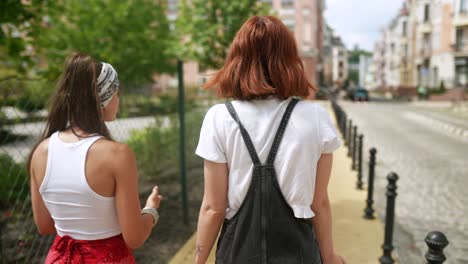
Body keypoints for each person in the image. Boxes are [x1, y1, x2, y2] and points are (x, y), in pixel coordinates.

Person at [194, 16, 346, 264]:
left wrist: (198, 261)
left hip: (237, 254)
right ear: (289, 59)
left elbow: (213, 208)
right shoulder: (316, 117)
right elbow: (319, 203)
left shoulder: (219, 118)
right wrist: (329, 257)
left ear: (237, 59)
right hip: (299, 254)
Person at [28, 53, 162, 263]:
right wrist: (151, 210)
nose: (118, 100)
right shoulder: (118, 154)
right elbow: (134, 238)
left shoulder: (40, 152)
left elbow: (44, 226)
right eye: (116, 93)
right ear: (106, 100)